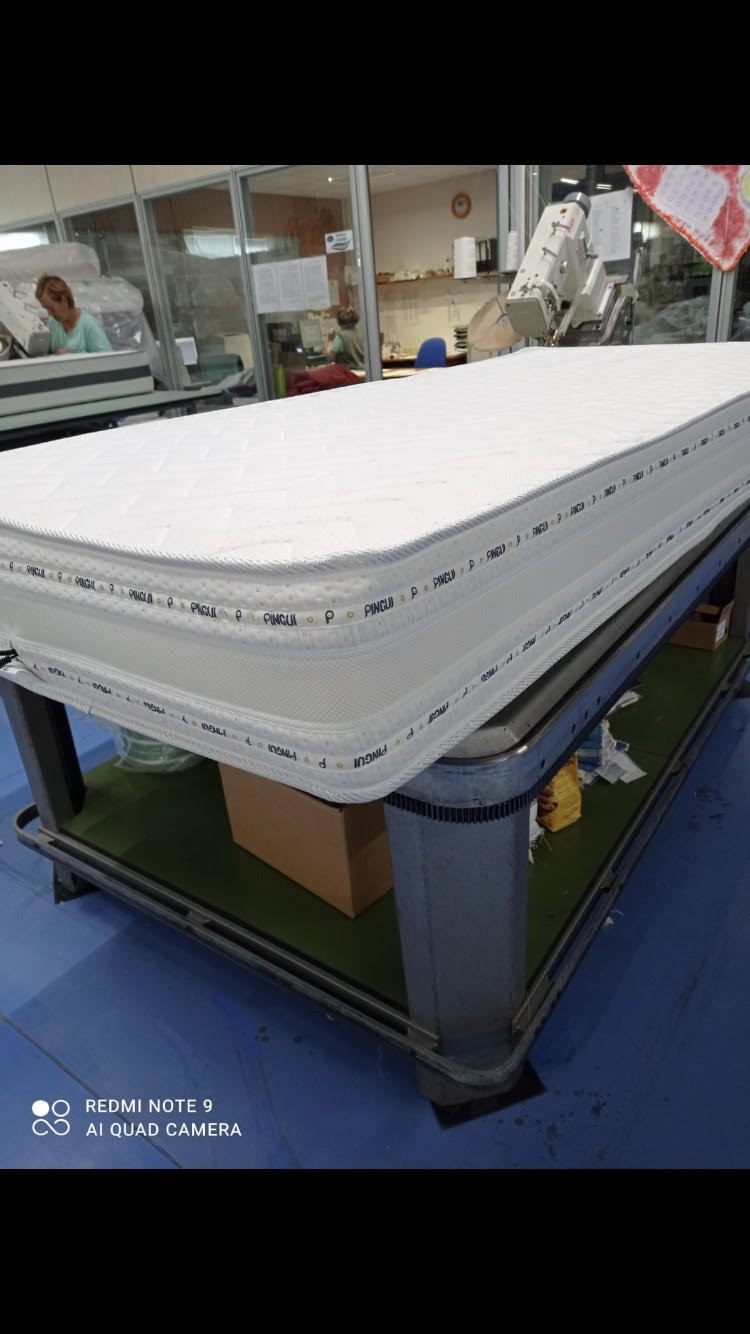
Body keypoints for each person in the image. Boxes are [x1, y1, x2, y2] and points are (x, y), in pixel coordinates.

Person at [34, 274, 112, 355]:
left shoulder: (90, 326)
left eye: (51, 308)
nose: (49, 313)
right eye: (46, 308)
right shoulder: (53, 322)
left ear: (64, 300)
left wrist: (75, 356)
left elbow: (108, 358)